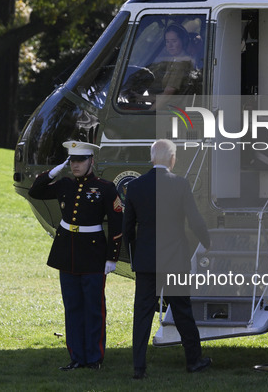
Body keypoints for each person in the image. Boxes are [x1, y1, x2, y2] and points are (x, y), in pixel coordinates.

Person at [28, 140, 123, 371]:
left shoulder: (105, 187)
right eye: (72, 160)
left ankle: (94, 358)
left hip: (93, 254)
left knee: (93, 308)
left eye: (80, 160)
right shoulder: (65, 184)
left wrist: (112, 257)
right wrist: (54, 171)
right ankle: (77, 356)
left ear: (92, 160)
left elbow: (117, 222)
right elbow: (35, 191)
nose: (75, 165)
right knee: (72, 307)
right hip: (67, 253)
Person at [123, 139, 212, 379]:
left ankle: (138, 367)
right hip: (174, 261)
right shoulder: (181, 184)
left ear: (152, 158)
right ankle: (193, 361)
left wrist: (134, 254)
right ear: (172, 159)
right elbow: (195, 221)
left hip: (146, 262)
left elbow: (128, 227)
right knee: (183, 311)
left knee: (142, 314)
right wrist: (208, 243)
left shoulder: (135, 187)